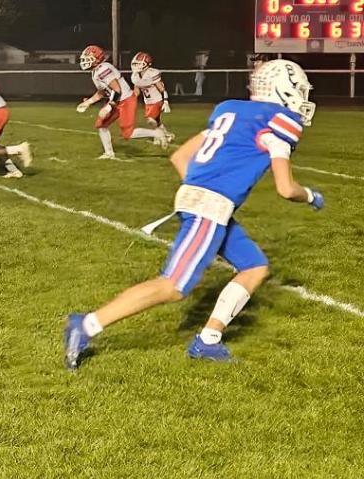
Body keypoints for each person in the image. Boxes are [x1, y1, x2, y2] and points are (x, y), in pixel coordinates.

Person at [64, 59, 323, 368]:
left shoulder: (231, 111)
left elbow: (180, 156)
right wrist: (311, 195)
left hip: (204, 201)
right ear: (284, 90)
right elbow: (286, 188)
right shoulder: (280, 121)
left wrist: (197, 191)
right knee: (173, 286)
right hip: (209, 208)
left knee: (254, 267)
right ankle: (88, 324)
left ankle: (208, 339)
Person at [76, 45, 170, 159]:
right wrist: (88, 102)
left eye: (88, 58)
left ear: (97, 58)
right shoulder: (96, 71)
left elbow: (117, 90)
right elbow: (103, 92)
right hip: (116, 100)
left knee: (128, 134)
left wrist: (108, 108)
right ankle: (109, 153)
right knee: (101, 125)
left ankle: (157, 133)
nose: (85, 61)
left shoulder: (103, 70)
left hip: (126, 100)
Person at [129, 52, 173, 140]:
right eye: (135, 64)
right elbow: (136, 92)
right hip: (148, 102)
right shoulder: (135, 76)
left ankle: (158, 135)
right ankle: (167, 134)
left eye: (139, 64)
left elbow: (162, 89)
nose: (136, 66)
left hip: (157, 100)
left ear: (146, 64)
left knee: (151, 120)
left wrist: (165, 101)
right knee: (156, 121)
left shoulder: (152, 73)